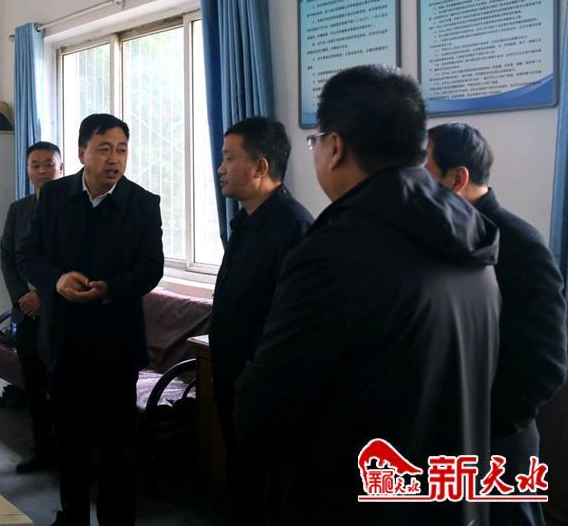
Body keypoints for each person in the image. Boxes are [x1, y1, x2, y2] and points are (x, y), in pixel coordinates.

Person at [233, 65, 501, 525]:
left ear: (335, 147)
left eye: (316, 141)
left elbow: (263, 411)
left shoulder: (334, 252)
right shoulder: (472, 238)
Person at [18, 113, 164, 526]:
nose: (114, 159)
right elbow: (27, 254)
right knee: (70, 443)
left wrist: (110, 288)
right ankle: (74, 517)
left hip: (117, 345)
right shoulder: (53, 196)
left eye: (121, 150)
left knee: (118, 447)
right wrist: (56, 280)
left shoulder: (142, 204)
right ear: (83, 153)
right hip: (64, 343)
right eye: (104, 149)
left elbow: (151, 268)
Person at [425, 122, 568, 526]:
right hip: (448, 439)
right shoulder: (439, 240)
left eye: (425, 172)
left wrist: (485, 423)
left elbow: (546, 363)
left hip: (500, 442)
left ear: (458, 179)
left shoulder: (521, 245)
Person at [209, 117, 313, 522]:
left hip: (264, 393)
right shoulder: (246, 220)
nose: (220, 168)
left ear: (260, 166)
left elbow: (291, 326)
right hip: (233, 382)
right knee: (243, 486)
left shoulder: (293, 227)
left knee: (265, 495)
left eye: (228, 158)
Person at [0, 140, 64, 474]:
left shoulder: (74, 209)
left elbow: (71, 261)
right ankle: (42, 449)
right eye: (35, 165)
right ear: (27, 171)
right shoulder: (19, 209)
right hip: (25, 314)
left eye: (48, 164)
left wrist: (43, 295)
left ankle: (67, 453)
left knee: (63, 388)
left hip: (61, 315)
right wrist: (22, 298)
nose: (42, 171)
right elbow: (7, 256)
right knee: (35, 388)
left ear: (61, 167)